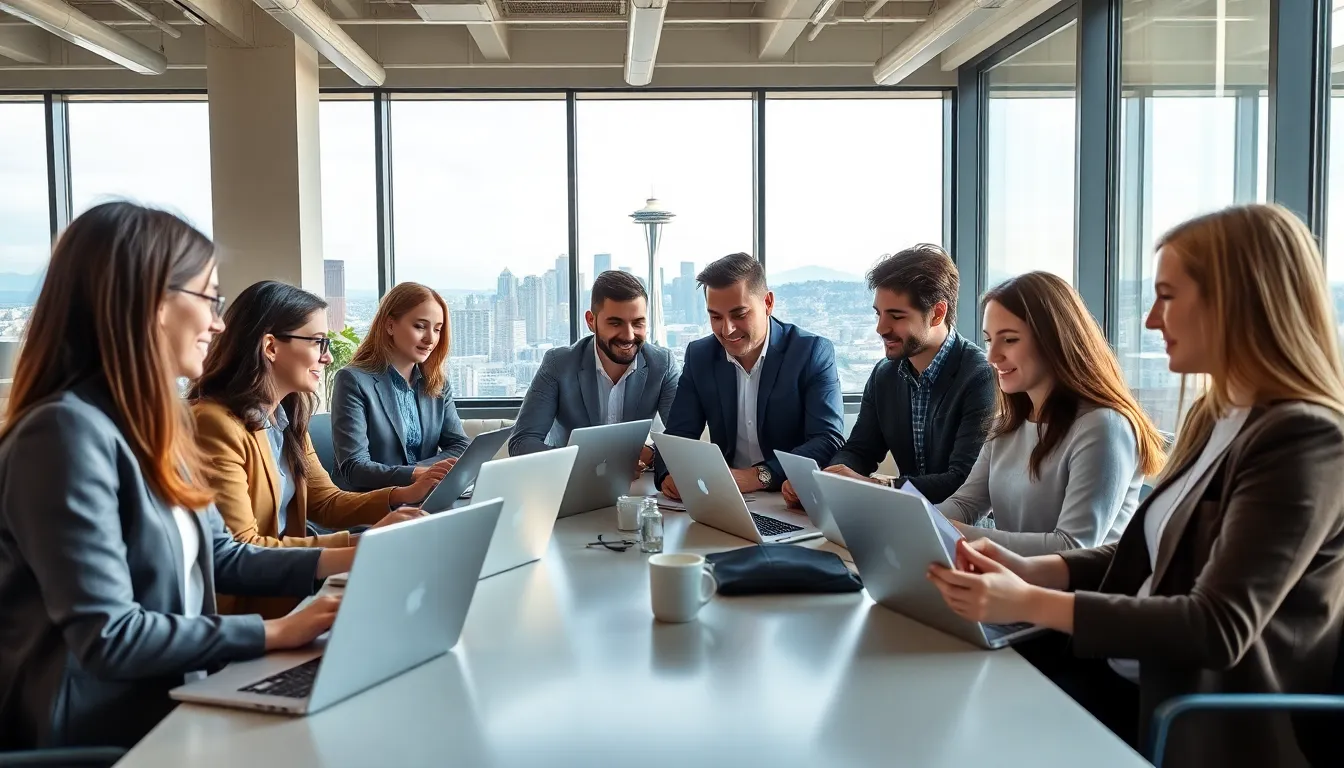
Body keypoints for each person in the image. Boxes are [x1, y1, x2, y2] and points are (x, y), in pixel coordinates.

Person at [927, 204, 1344, 768]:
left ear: (1236, 300)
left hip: (1194, 714)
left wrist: (1028, 600)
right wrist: (1033, 569)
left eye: (1166, 296)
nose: (1150, 320)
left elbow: (1216, 628)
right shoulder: (1216, 417)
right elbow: (1150, 554)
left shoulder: (1304, 439)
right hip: (1122, 668)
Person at [0, 203, 353, 750]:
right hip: (103, 734)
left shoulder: (158, 425)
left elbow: (223, 555)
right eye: (209, 298)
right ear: (150, 302)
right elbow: (110, 635)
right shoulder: (63, 433)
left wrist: (353, 555)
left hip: (181, 696)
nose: (219, 322)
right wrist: (274, 633)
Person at [190, 281, 432, 616]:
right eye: (318, 342)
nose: (328, 356)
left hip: (290, 592)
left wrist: (401, 496)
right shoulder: (214, 424)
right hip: (248, 612)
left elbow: (326, 502)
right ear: (271, 347)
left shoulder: (286, 418)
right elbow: (243, 548)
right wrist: (362, 544)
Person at [933, 272, 1165, 556]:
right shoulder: (1006, 424)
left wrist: (959, 534)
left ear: (1054, 340)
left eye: (1010, 340)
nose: (992, 357)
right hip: (1007, 579)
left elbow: (1072, 547)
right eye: (989, 340)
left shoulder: (1103, 426)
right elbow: (965, 504)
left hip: (1078, 585)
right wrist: (917, 520)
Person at [785, 244, 995, 507]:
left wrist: (877, 486)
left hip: (958, 525)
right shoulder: (884, 375)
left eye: (896, 316)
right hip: (905, 518)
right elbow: (860, 450)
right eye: (879, 313)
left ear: (937, 313)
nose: (880, 328)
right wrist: (827, 481)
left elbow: (962, 481)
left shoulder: (980, 377)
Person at [656, 253, 844, 499]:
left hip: (789, 495)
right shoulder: (700, 356)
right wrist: (669, 474)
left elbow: (827, 439)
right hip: (726, 495)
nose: (727, 329)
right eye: (716, 317)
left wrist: (759, 476)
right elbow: (678, 434)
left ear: (768, 303)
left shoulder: (810, 352)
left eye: (739, 314)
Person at [509, 270, 680, 473]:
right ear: (591, 321)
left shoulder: (663, 364)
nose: (628, 335)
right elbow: (521, 442)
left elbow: (682, 437)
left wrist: (650, 454)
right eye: (615, 323)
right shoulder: (558, 364)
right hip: (570, 481)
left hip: (633, 484)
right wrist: (591, 465)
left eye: (637, 323)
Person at [330, 282, 467, 492]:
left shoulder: (437, 383)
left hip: (424, 495)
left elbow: (460, 446)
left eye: (437, 329)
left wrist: (422, 474)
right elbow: (354, 467)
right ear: (390, 325)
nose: (431, 339)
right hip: (373, 501)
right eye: (420, 326)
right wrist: (415, 474)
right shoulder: (353, 380)